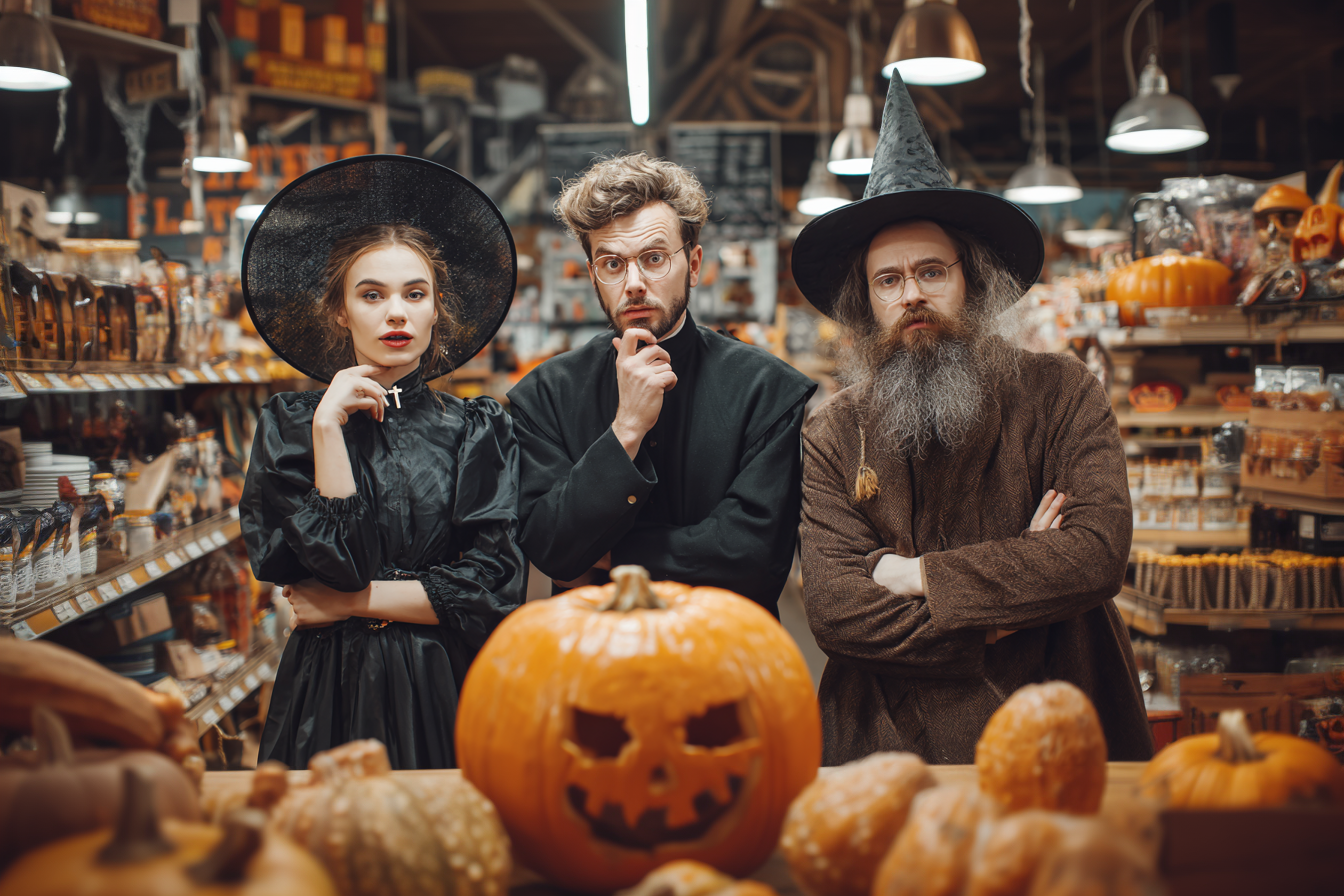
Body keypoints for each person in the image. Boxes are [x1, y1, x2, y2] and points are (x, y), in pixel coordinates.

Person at [791, 73, 1152, 765]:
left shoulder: (1063, 392)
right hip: (887, 745)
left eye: (933, 271)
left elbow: (1095, 552)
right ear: (867, 302)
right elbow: (837, 611)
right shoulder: (834, 432)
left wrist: (914, 575)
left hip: (1061, 722)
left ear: (972, 279)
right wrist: (998, 618)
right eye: (888, 280)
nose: (912, 295)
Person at [240, 157, 526, 769]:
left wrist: (352, 603)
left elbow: (491, 591)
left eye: (414, 294)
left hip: (440, 683)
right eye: (372, 295)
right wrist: (327, 428)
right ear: (340, 310)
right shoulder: (291, 428)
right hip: (329, 690)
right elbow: (337, 565)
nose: (396, 313)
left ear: (435, 309)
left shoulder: (476, 429)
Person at [508, 154, 816, 614]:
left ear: (693, 265)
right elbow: (552, 549)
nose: (633, 283)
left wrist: (613, 557)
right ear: (593, 275)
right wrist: (626, 428)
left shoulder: (767, 389)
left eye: (654, 259)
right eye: (612, 264)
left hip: (725, 647)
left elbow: (754, 560)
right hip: (592, 650)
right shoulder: (545, 395)